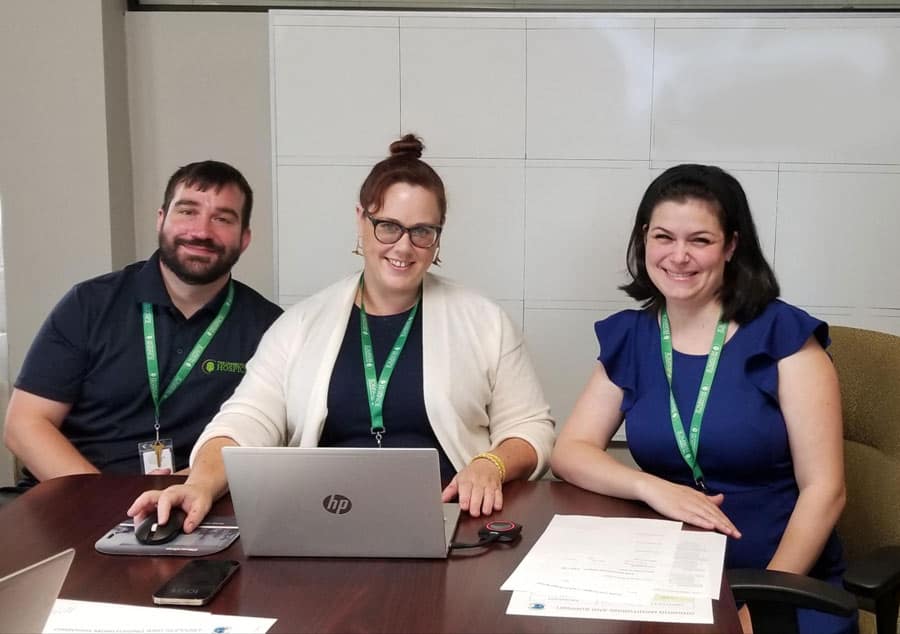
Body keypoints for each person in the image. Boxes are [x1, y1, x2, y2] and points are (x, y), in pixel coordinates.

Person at [128, 134, 555, 530]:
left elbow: (531, 428)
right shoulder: (298, 325)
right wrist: (200, 482)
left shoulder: (484, 321)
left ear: (438, 238)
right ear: (361, 221)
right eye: (388, 226)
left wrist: (492, 464)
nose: (403, 247)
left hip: (449, 515)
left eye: (422, 232)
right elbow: (244, 421)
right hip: (325, 519)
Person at [550, 164, 852, 634]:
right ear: (644, 240)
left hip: (779, 580)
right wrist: (652, 487)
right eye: (663, 237)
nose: (679, 256)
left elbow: (825, 491)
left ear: (732, 246)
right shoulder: (632, 336)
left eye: (700, 240)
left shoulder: (784, 338)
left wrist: (761, 602)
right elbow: (570, 452)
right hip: (667, 576)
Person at [3, 160, 283, 486]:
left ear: (244, 238)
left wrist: (197, 485)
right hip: (75, 497)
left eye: (221, 219)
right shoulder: (90, 304)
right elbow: (25, 425)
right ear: (161, 219)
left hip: (195, 504)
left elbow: (270, 443)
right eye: (187, 211)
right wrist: (105, 504)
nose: (201, 231)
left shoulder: (270, 327)